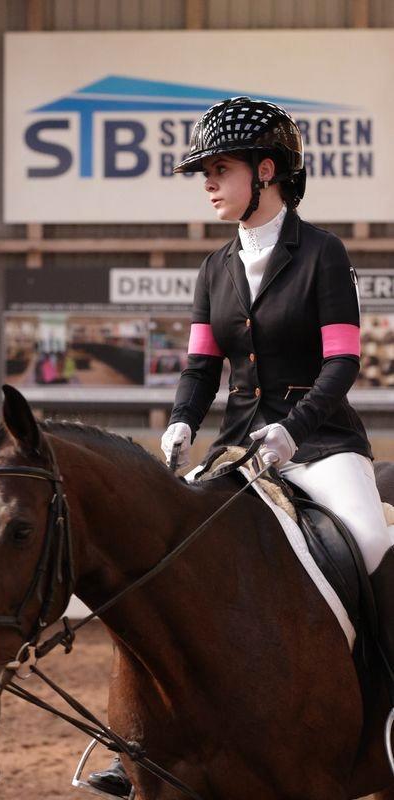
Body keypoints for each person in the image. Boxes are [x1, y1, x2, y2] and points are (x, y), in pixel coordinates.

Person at [89, 96, 394, 798]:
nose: (207, 182)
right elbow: (200, 369)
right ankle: (133, 737)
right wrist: (178, 423)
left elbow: (341, 364)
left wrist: (294, 427)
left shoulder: (322, 254)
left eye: (218, 169)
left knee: (371, 544)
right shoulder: (212, 269)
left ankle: (381, 712)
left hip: (318, 443)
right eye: (204, 171)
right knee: (160, 556)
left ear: (266, 172)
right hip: (235, 444)